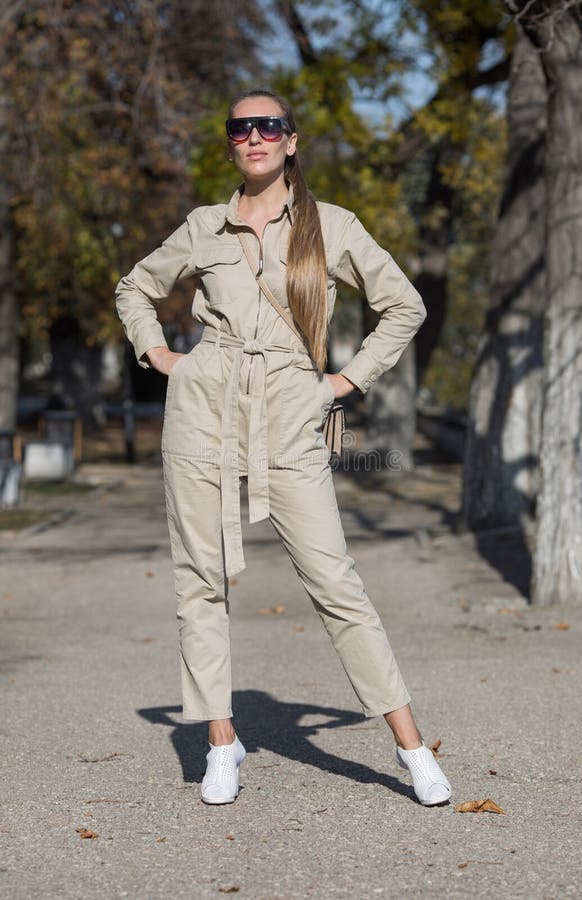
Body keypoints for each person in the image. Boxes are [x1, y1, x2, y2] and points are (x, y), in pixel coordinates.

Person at [114, 89, 452, 808]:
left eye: (268, 125)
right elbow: (134, 288)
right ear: (231, 143)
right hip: (205, 408)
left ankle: (412, 747)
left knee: (337, 584)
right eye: (240, 127)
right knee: (199, 582)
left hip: (292, 412)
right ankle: (221, 743)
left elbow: (405, 306)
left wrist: (345, 381)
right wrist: (163, 356)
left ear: (291, 141)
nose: (254, 136)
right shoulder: (204, 226)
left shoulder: (332, 227)